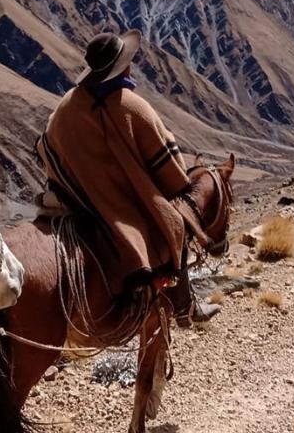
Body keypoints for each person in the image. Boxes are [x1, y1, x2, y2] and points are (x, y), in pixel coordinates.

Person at [36, 29, 220, 327]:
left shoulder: (67, 105)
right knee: (174, 224)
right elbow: (172, 173)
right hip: (115, 205)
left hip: (71, 197)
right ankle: (185, 308)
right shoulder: (133, 107)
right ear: (126, 66)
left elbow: (46, 149)